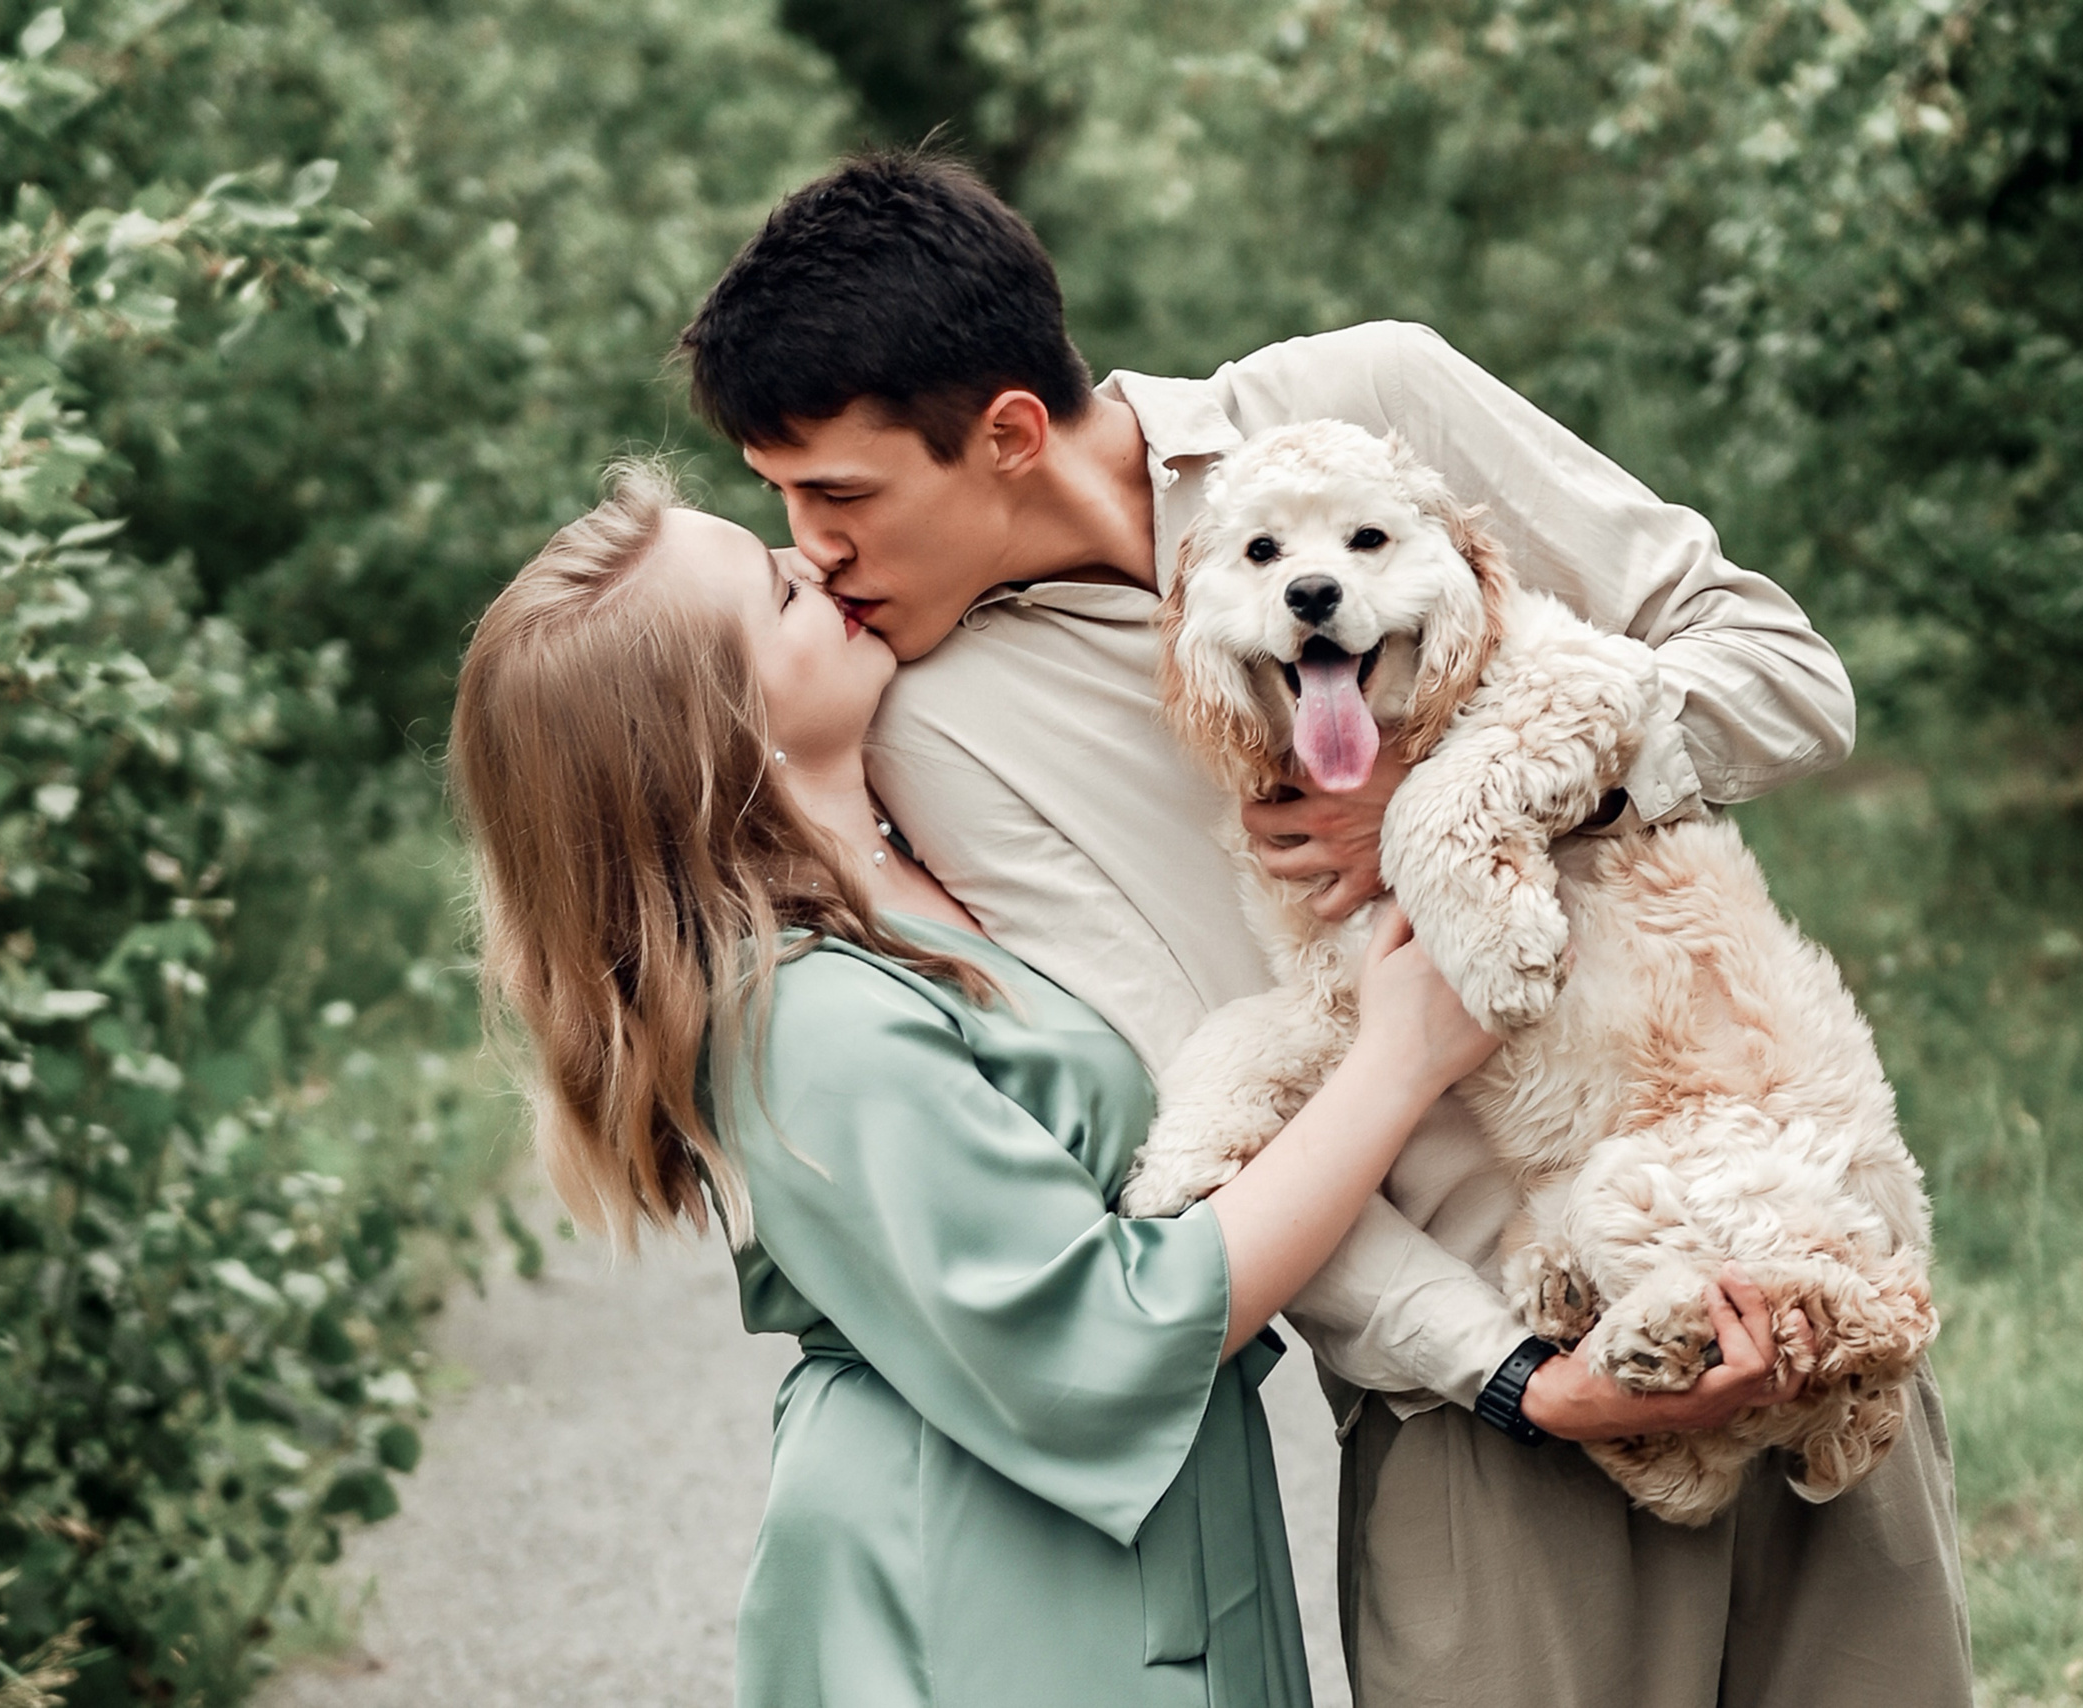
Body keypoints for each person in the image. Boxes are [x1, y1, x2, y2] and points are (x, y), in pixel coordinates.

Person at [677, 151, 1973, 1707]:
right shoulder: (943, 729)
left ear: (1008, 434)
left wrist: (1478, 807)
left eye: (840, 496)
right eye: (787, 506)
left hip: (1795, 1242)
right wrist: (1509, 1381)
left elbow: (1779, 671)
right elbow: (1199, 1107)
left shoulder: (1373, 400)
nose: (815, 552)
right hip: (1502, 1422)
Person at [448, 467, 1766, 1706]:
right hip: (977, 1561)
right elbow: (1095, 1339)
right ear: (709, 731)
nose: (816, 559)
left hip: (1128, 1519)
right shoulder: (803, 1020)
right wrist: (1401, 1055)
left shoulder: (916, 859)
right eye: (775, 590)